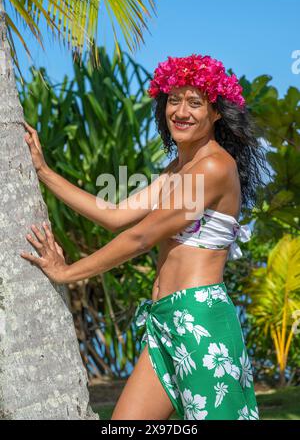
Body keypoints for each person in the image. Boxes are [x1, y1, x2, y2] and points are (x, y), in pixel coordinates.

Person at [21, 54, 269, 420]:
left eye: (195, 102)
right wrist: (43, 172)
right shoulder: (177, 170)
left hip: (201, 322)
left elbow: (140, 238)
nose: (181, 111)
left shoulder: (215, 168)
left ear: (216, 112)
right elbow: (115, 216)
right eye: (174, 100)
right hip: (165, 320)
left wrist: (66, 272)